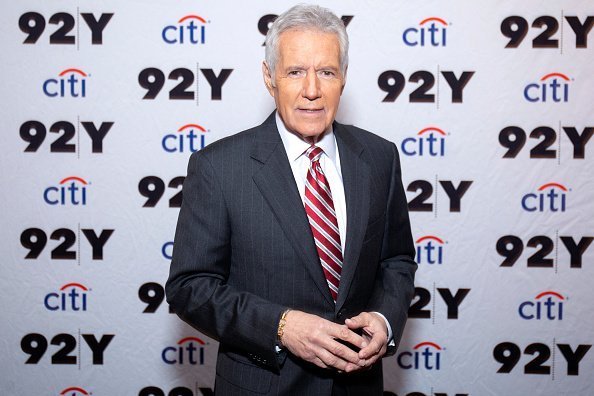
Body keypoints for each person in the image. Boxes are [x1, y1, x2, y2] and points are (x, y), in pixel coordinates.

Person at [166, 4, 417, 395]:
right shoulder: (219, 167)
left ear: (344, 78)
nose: (312, 90)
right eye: (296, 71)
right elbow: (190, 287)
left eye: (327, 72)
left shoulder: (380, 158)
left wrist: (384, 322)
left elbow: (396, 261)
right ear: (270, 78)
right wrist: (281, 326)